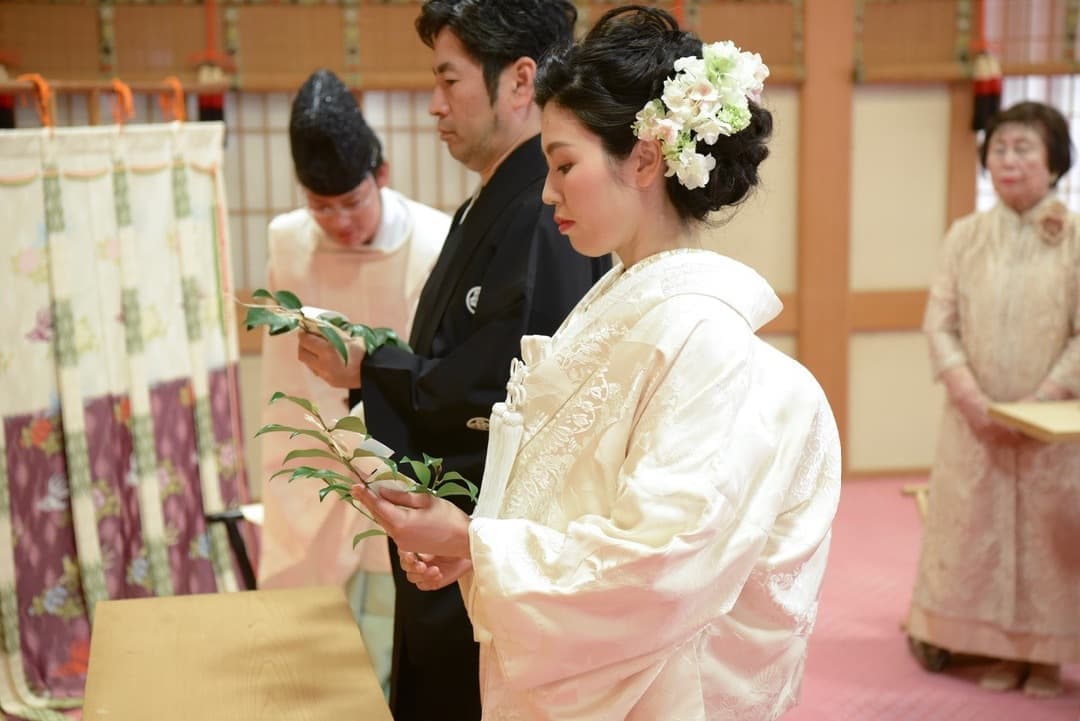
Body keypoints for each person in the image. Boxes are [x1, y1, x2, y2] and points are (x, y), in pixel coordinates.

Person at [352, 7, 843, 720]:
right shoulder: (616, 302)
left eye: (563, 165)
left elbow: (661, 564)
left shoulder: (703, 337)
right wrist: (473, 552)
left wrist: (474, 543)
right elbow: (556, 493)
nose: (548, 192)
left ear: (644, 159)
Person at [294, 3, 611, 719]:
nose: (435, 105)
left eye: (449, 80)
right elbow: (462, 358)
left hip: (478, 535)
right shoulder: (495, 198)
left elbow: (504, 390)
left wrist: (370, 369)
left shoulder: (542, 207)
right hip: (446, 533)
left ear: (520, 80)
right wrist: (373, 363)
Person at [256, 69, 448, 689]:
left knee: (391, 621)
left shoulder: (433, 238)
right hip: (309, 436)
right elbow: (281, 371)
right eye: (320, 207)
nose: (338, 223)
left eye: (352, 203)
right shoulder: (288, 240)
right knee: (306, 633)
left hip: (397, 447)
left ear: (382, 175)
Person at [906, 100, 1080, 697]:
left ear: (1055, 161)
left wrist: (1042, 399)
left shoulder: (1075, 236)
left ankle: (1048, 655)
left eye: (1023, 148)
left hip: (1053, 424)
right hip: (974, 420)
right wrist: (974, 400)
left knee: (1048, 539)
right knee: (977, 531)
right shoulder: (966, 235)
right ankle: (996, 649)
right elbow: (940, 323)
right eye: (999, 148)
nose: (1008, 159)